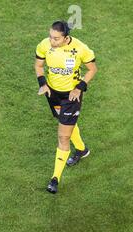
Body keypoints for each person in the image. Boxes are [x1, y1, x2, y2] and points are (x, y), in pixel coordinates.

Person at [35, 21, 98, 193]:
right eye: (50, 37)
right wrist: (43, 84)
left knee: (63, 137)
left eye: (56, 38)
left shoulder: (80, 48)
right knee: (65, 122)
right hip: (52, 94)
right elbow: (39, 66)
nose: (51, 41)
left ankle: (55, 179)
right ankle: (82, 150)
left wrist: (80, 87)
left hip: (71, 96)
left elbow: (92, 69)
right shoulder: (44, 45)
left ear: (66, 37)